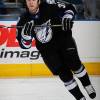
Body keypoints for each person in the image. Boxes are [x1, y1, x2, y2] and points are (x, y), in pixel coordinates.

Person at [16, 0, 96, 100]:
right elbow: (23, 45)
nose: (31, 2)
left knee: (75, 65)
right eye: (28, 0)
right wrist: (26, 38)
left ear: (39, 1)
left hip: (63, 40)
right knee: (64, 76)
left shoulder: (50, 4)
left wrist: (67, 17)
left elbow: (70, 7)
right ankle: (80, 98)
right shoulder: (23, 19)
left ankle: (87, 85)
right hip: (47, 51)